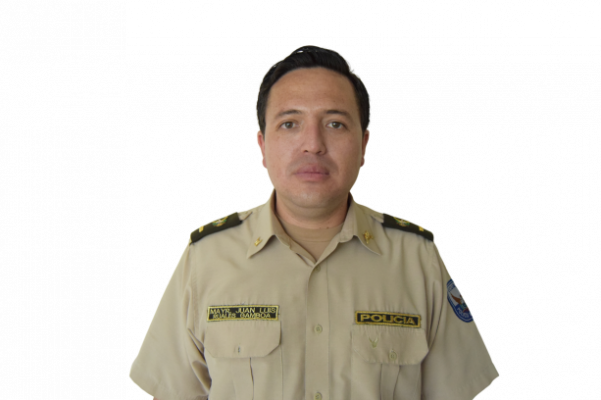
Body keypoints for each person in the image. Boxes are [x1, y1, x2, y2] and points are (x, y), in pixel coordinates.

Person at [129, 45, 501, 400]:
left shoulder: (418, 259)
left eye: (335, 124)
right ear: (262, 146)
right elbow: (173, 391)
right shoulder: (206, 258)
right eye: (290, 123)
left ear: (364, 146)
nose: (313, 144)